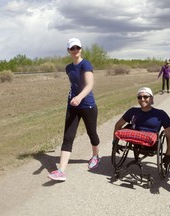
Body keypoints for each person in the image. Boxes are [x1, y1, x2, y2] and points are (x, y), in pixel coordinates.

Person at [48, 38, 100, 181]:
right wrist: (73, 97)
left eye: (77, 47)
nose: (75, 50)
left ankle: (95, 156)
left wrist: (80, 97)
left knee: (92, 133)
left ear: (81, 49)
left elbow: (89, 85)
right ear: (68, 51)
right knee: (68, 136)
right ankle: (61, 171)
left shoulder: (86, 64)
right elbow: (74, 84)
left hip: (87, 105)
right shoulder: (68, 68)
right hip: (72, 106)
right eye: (72, 48)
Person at [113, 87, 170, 166]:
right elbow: (118, 125)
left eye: (145, 97)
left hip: (151, 144)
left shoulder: (160, 114)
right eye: (139, 97)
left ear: (152, 99)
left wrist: (168, 154)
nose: (142, 99)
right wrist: (114, 143)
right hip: (134, 140)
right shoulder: (132, 111)